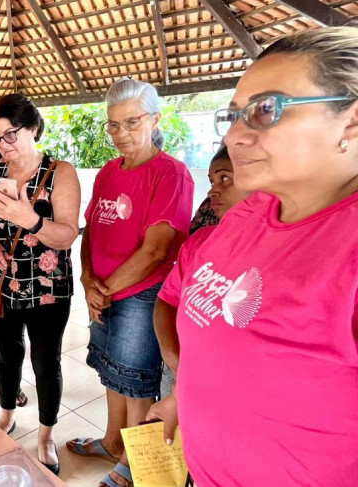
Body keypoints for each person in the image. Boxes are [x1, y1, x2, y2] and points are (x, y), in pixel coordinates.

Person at [147, 27, 358, 486]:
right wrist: (185, 395)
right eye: (235, 114)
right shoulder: (249, 213)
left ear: (352, 122)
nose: (237, 136)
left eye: (266, 109)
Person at [68, 78, 193, 487]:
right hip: (102, 291)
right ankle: (111, 440)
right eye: (113, 125)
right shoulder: (108, 171)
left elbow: (157, 250)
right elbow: (93, 231)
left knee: (137, 380)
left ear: (154, 119)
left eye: (132, 122)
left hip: (141, 296)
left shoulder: (171, 174)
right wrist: (88, 279)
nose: (121, 134)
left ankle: (132, 464)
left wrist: (103, 289)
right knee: (110, 371)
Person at [0, 93, 81, 475]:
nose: (4, 146)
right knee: (5, 354)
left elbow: (66, 236)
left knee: (45, 361)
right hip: (2, 283)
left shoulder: (60, 172)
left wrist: (27, 218)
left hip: (49, 287)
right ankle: (7, 413)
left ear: (33, 128)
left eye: (11, 135)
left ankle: (47, 433)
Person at [156, 145, 250, 399]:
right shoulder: (200, 241)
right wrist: (173, 359)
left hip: (227, 387)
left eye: (225, 178)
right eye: (212, 180)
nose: (213, 190)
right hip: (180, 372)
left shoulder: (271, 255)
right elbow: (166, 300)